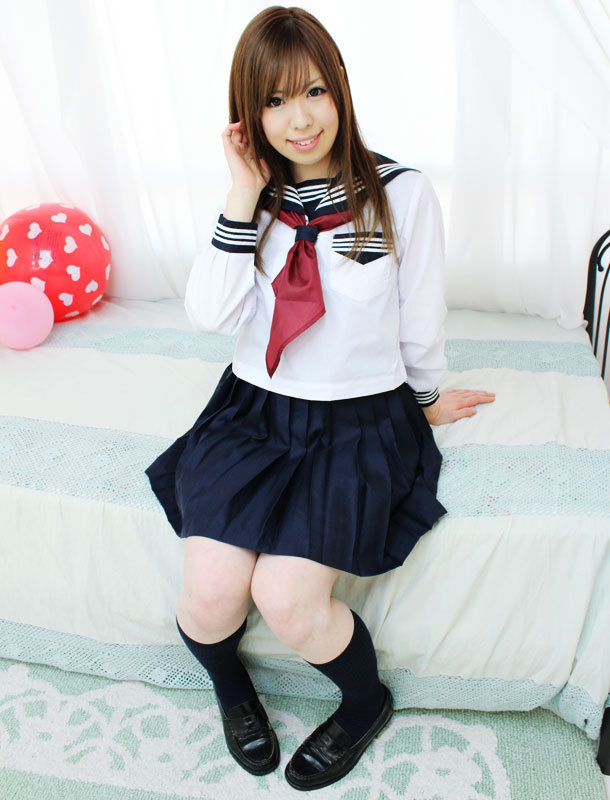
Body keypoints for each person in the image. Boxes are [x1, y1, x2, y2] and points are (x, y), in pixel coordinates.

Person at [145, 5, 495, 791]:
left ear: (339, 86)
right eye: (274, 101)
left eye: (312, 92)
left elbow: (419, 313)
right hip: (254, 414)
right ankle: (232, 688)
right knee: (210, 597)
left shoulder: (399, 193)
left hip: (356, 421)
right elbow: (211, 315)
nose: (299, 120)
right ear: (249, 114)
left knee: (289, 600)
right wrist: (243, 193)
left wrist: (425, 398)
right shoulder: (254, 201)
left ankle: (366, 701)